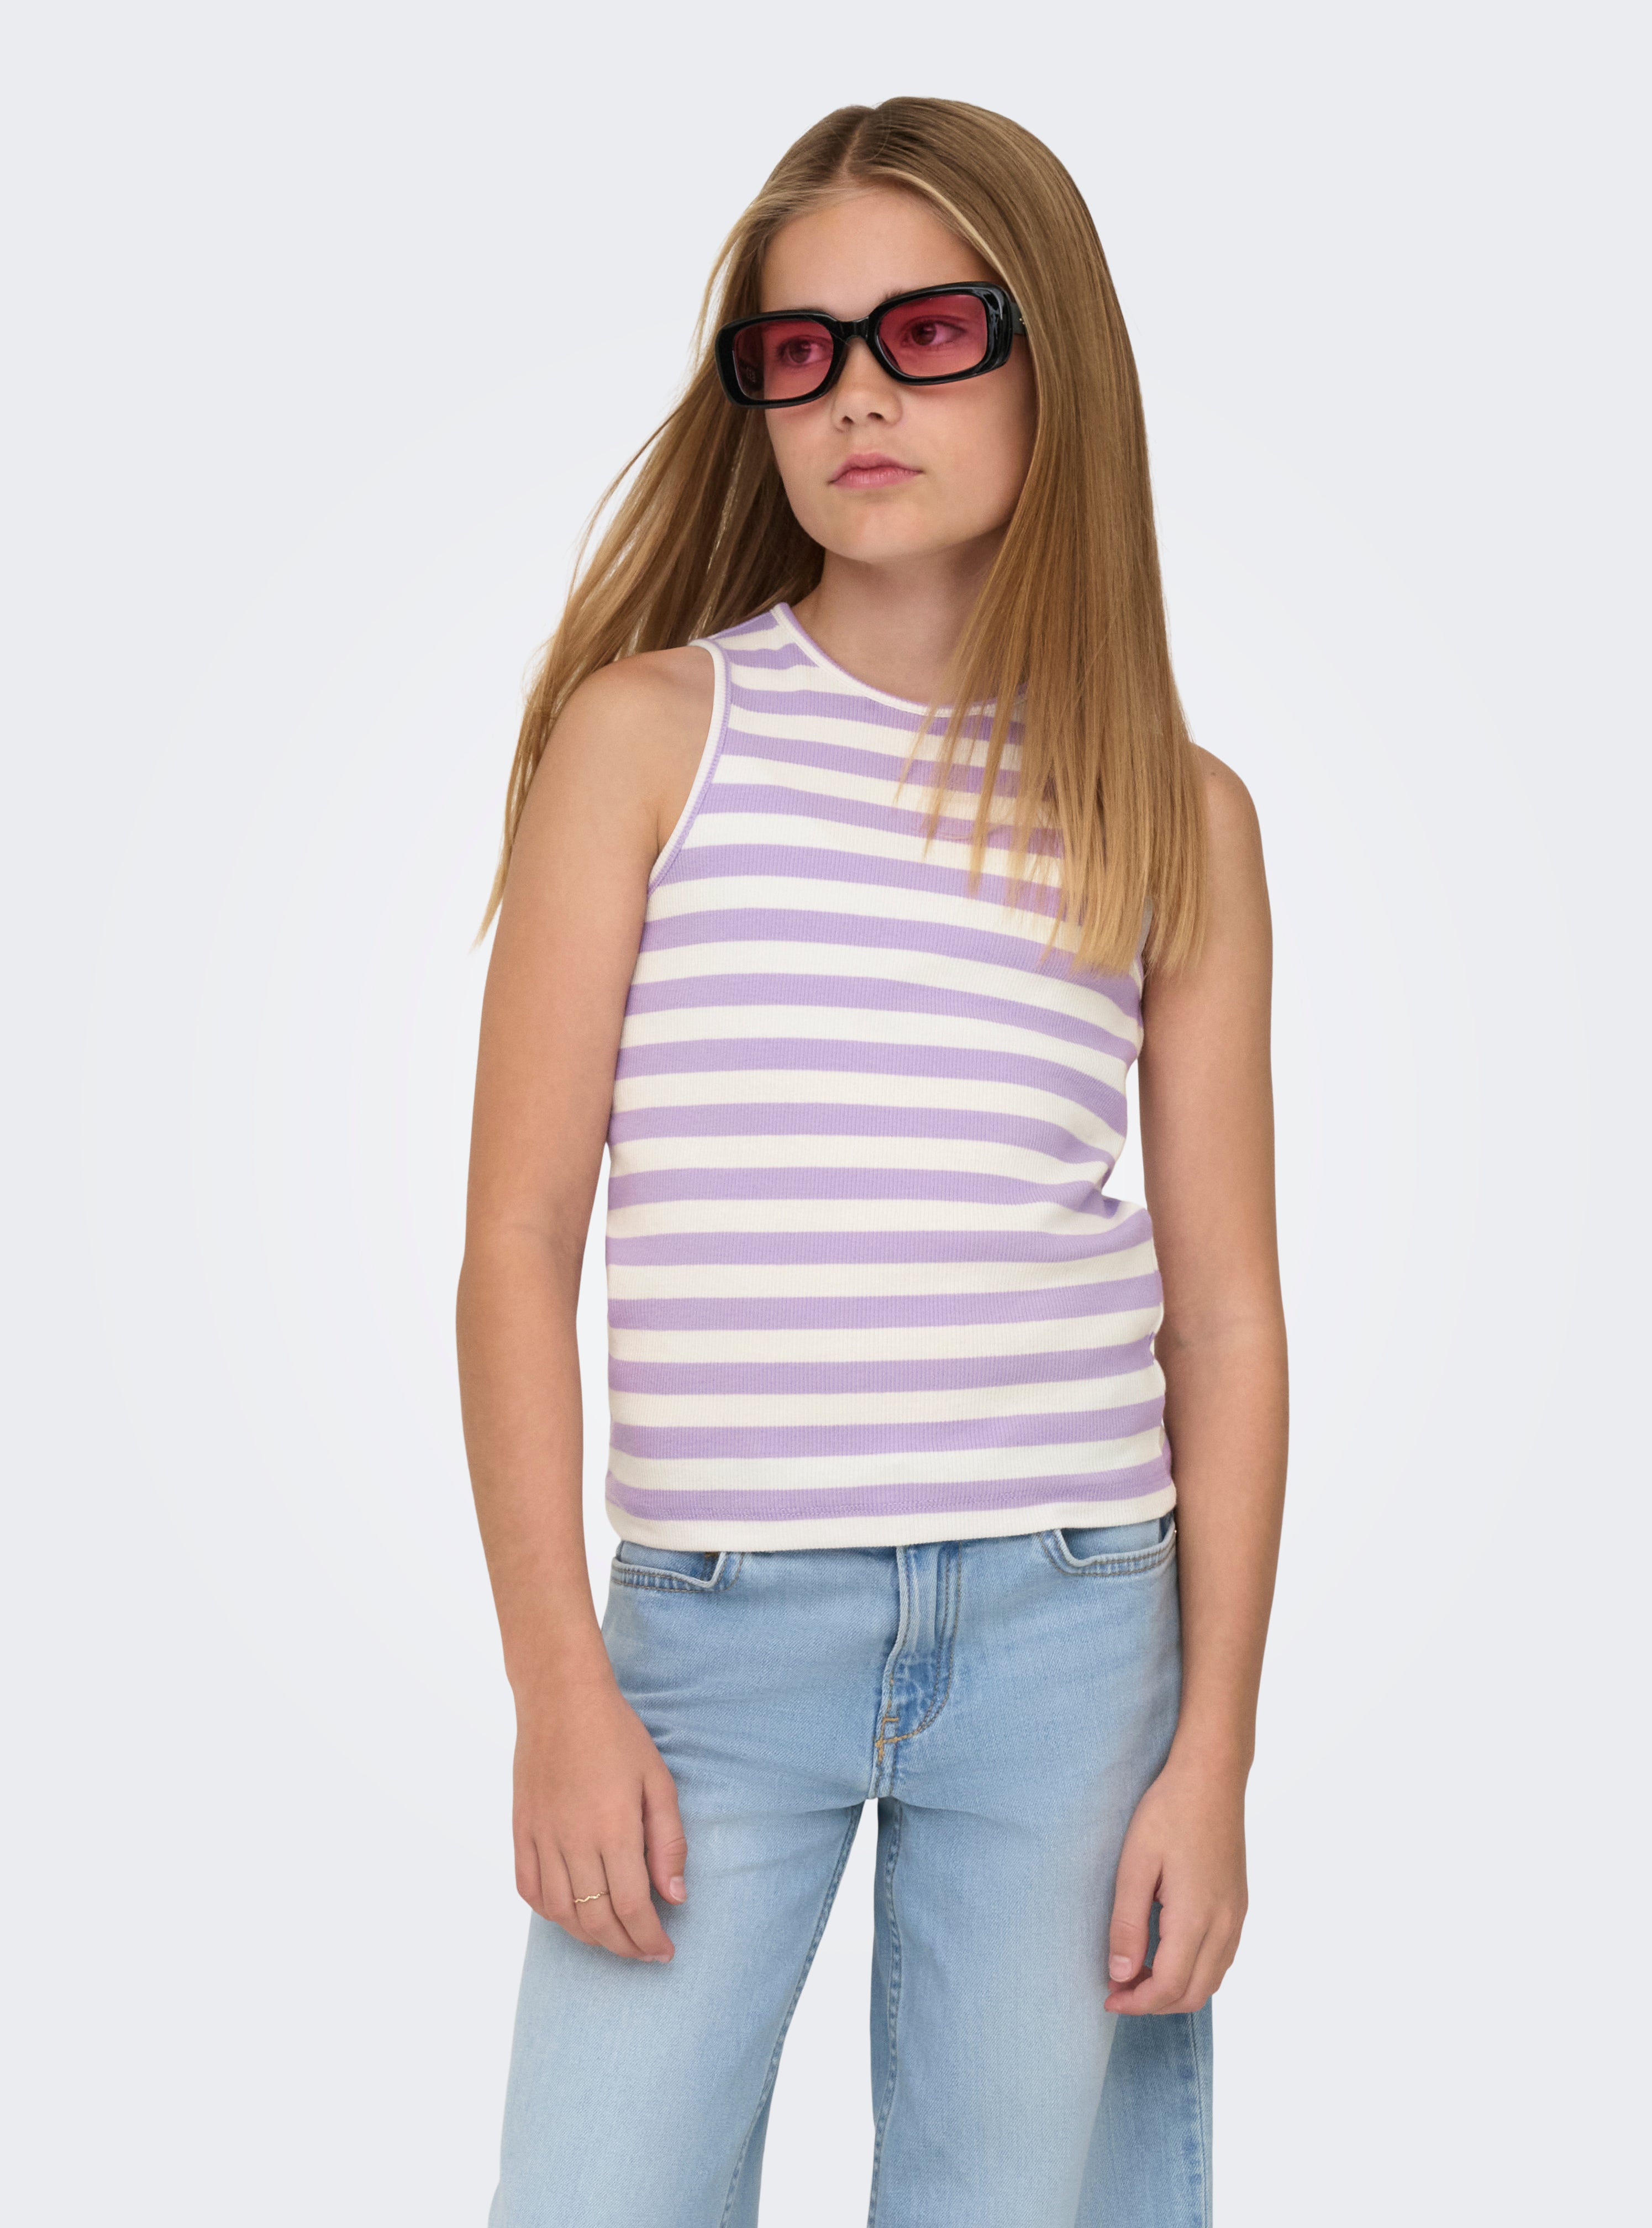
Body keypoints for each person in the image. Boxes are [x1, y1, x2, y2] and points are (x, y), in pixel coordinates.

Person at [457, 96, 1286, 2228]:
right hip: (714, 1639)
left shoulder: (1174, 813)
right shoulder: (653, 738)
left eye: (927, 332)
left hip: (1073, 1628)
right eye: (798, 350)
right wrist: (558, 1684)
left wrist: (1214, 1749)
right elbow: (519, 1239)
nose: (856, 394)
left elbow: (1224, 1316)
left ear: (1049, 357)